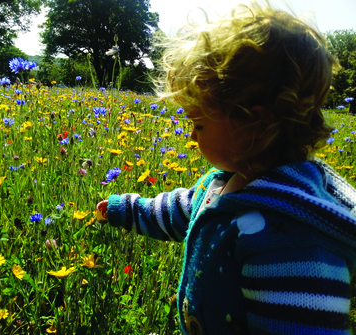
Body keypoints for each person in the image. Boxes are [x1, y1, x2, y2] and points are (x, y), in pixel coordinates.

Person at [96, 1, 356, 334]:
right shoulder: (229, 182)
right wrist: (128, 209)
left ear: (255, 121)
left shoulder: (295, 239)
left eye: (200, 124)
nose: (191, 135)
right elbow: (184, 211)